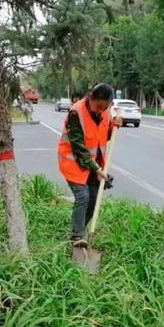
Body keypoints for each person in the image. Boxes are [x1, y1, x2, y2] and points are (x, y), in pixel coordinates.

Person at [58, 83, 122, 248]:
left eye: (105, 107)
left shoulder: (105, 111)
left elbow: (102, 137)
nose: (100, 111)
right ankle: (76, 236)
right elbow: (78, 147)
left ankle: (79, 230)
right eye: (98, 106)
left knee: (93, 200)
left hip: (95, 165)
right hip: (74, 162)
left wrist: (114, 125)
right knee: (83, 197)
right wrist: (97, 170)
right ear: (91, 98)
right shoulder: (76, 112)